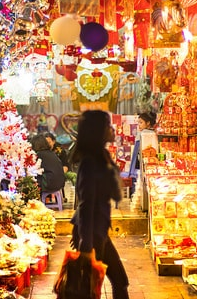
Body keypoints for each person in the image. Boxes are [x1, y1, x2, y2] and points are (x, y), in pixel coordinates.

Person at [69, 110, 130, 299]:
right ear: (98, 131)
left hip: (98, 230)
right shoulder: (90, 162)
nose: (112, 129)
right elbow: (86, 204)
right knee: (89, 287)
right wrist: (86, 244)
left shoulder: (101, 156)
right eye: (108, 126)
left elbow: (112, 192)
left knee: (118, 280)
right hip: (91, 232)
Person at [128, 111, 156, 196]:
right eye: (138, 123)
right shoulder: (153, 133)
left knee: (137, 186)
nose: (139, 125)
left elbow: (137, 152)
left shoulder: (143, 133)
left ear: (148, 123)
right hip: (147, 162)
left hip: (140, 163)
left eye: (141, 122)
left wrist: (132, 168)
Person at [30, 134, 66, 201]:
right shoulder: (51, 153)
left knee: (30, 181)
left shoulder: (39, 154)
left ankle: (36, 203)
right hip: (60, 183)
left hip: (50, 184)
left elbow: (34, 169)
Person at [44, 132, 69, 202]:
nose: (47, 145)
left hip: (58, 174)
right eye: (46, 143)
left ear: (54, 141)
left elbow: (65, 165)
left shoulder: (60, 151)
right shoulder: (43, 151)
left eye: (49, 142)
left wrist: (60, 174)